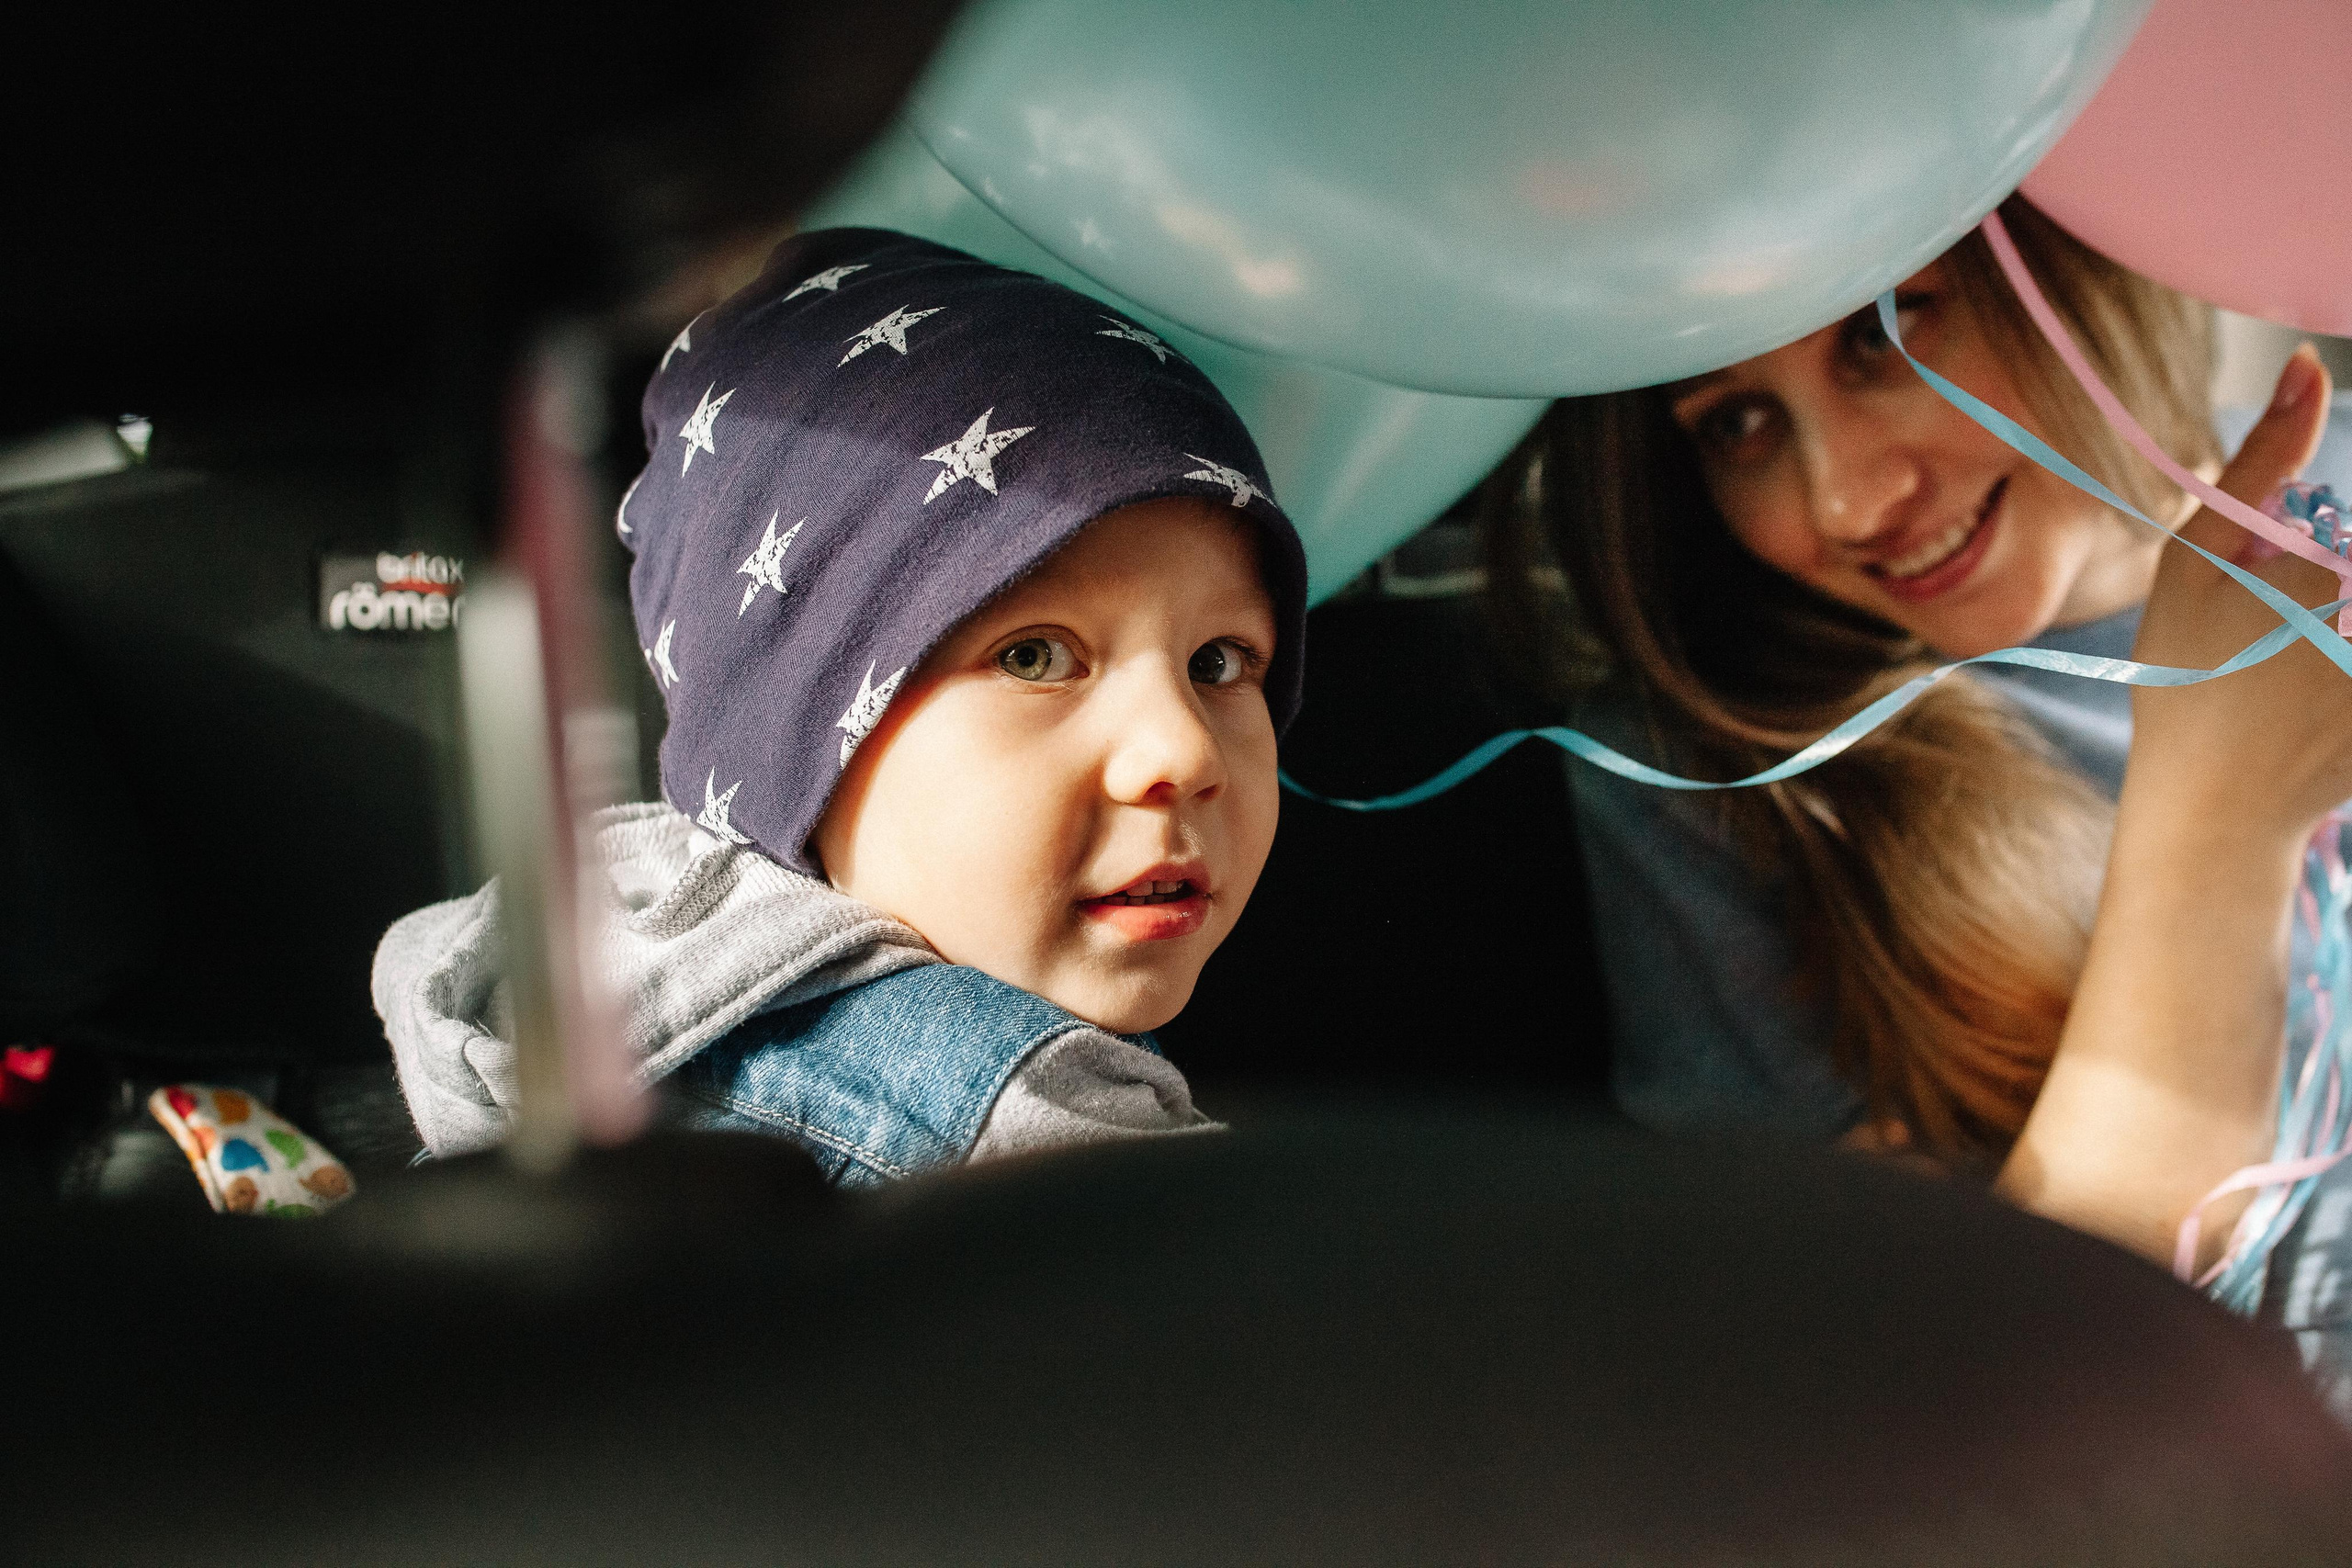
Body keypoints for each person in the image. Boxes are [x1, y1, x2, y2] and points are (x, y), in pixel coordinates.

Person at [1480, 196, 2352, 1282]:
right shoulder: (1706, 775)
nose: (1848, 500)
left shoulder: (2334, 504)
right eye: (1736, 424)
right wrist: (2216, 812)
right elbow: (1969, 1367)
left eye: (1891, 324)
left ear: (2077, 256)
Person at [376, 229, 1306, 1185]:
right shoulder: (1023, 1122)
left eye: (1220, 661)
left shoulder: (626, 973)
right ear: (789, 746)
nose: (1182, 751)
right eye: (1033, 657)